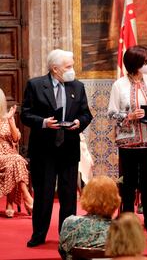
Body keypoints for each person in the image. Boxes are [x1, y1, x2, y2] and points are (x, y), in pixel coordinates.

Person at [21, 49, 93, 247]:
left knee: (68, 194)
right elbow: (25, 115)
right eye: (68, 66)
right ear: (55, 69)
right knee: (43, 194)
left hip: (68, 148)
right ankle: (39, 235)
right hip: (44, 150)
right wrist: (44, 122)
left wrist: (79, 122)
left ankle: (67, 236)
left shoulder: (77, 87)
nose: (72, 70)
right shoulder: (35, 85)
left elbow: (87, 114)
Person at [108, 45, 147, 243]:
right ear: (136, 64)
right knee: (129, 186)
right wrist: (130, 116)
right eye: (145, 62)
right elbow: (112, 113)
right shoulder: (119, 85)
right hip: (128, 143)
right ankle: (127, 227)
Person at [58, 175, 121, 260]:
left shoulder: (69, 223)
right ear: (116, 199)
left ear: (85, 196)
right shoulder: (123, 229)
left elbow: (63, 253)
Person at [0, 89, 33, 218]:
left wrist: (11, 121)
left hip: (10, 154)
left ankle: (10, 204)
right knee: (16, 160)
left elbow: (15, 138)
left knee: (15, 162)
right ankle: (27, 198)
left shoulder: (6, 118)